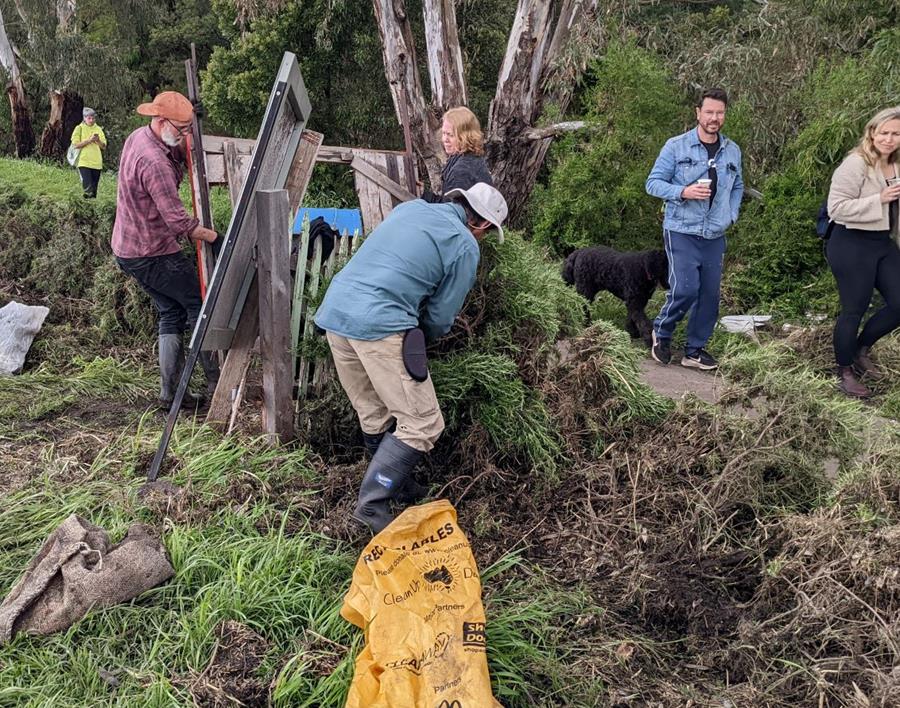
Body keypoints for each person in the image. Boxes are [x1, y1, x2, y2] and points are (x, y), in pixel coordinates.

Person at [314, 182, 508, 533]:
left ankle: (396, 485)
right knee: (423, 423)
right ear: (481, 225)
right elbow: (441, 314)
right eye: (487, 234)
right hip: (379, 321)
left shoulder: (411, 209)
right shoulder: (465, 244)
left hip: (336, 316)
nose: (484, 239)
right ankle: (372, 505)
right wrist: (423, 341)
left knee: (373, 411)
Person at [111, 91, 220, 408]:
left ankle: (168, 394)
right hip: (152, 253)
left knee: (170, 311)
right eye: (183, 130)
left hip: (128, 249)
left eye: (189, 129)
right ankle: (215, 384)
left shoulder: (140, 136)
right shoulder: (155, 163)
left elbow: (178, 151)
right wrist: (215, 237)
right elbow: (178, 223)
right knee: (199, 305)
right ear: (160, 121)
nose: (187, 136)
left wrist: (188, 122)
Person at [646, 88, 744, 371]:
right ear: (698, 113)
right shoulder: (676, 146)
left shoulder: (732, 150)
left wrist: (731, 214)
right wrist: (683, 191)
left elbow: (737, 186)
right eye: (709, 112)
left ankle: (694, 350)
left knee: (710, 295)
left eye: (720, 113)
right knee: (687, 288)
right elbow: (653, 183)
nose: (714, 118)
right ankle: (661, 333)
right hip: (681, 229)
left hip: (715, 233)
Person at [825, 106, 900, 399]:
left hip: (882, 242)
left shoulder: (896, 163)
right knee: (853, 309)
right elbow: (836, 208)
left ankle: (860, 349)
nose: (889, 138)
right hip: (851, 242)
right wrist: (878, 199)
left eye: (896, 134)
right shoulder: (856, 164)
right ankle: (843, 371)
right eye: (884, 132)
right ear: (872, 132)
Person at [428, 106, 493, 200]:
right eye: (443, 133)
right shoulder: (470, 157)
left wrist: (423, 199)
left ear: (466, 137)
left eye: (450, 135)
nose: (445, 140)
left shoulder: (461, 172)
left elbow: (450, 211)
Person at [70, 107, 106, 198]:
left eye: (93, 118)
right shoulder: (79, 128)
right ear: (84, 118)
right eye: (89, 118)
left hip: (97, 163)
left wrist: (97, 140)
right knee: (87, 189)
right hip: (84, 162)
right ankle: (85, 207)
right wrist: (89, 140)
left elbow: (104, 146)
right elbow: (76, 145)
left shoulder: (98, 129)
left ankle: (92, 209)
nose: (91, 120)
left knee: (94, 191)